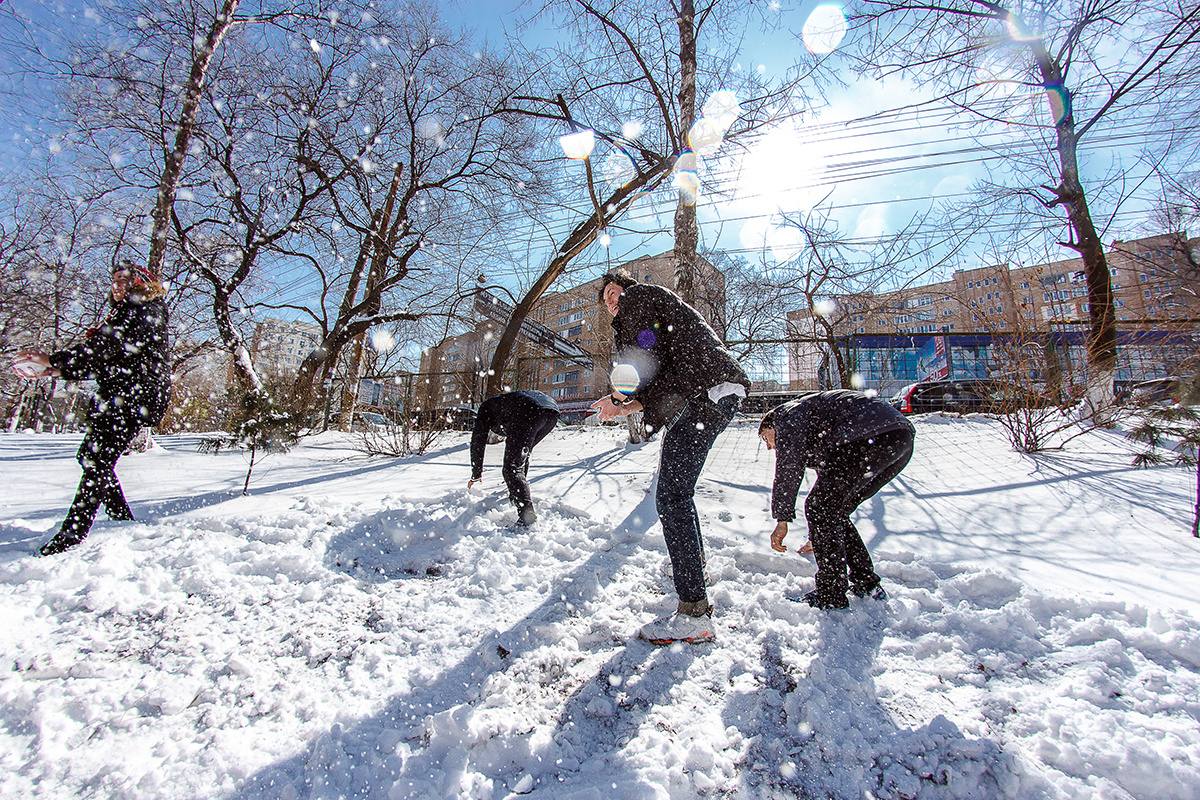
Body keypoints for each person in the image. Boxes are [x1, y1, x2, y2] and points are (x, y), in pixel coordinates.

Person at [590, 269, 749, 645]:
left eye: (613, 292)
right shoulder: (655, 311)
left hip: (707, 393)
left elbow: (643, 355)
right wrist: (629, 406)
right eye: (607, 300)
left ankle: (694, 613)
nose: (612, 301)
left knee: (672, 497)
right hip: (710, 391)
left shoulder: (639, 299)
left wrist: (618, 396)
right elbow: (666, 372)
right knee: (678, 494)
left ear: (626, 290)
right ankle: (694, 570)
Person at [11, 260, 171, 556]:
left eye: (124, 279)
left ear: (140, 281)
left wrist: (53, 360)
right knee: (91, 457)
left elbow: (107, 349)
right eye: (114, 280)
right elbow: (106, 359)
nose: (117, 285)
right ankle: (121, 520)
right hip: (122, 393)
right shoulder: (126, 312)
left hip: (136, 396)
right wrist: (55, 371)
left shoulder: (146, 308)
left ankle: (73, 535)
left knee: (97, 460)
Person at [759, 389, 916, 609]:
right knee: (833, 510)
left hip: (869, 437)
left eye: (766, 438)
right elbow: (828, 483)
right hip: (899, 439)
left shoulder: (787, 414)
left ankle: (831, 594)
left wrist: (782, 520)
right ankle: (866, 583)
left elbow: (789, 468)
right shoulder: (813, 420)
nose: (769, 447)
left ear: (771, 424)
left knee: (819, 507)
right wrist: (819, 534)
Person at [469, 389, 560, 526]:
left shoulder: (486, 409)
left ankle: (527, 518)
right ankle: (517, 490)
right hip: (551, 411)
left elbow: (478, 440)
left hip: (528, 410)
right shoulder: (504, 403)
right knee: (521, 457)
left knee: (511, 469)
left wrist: (476, 473)